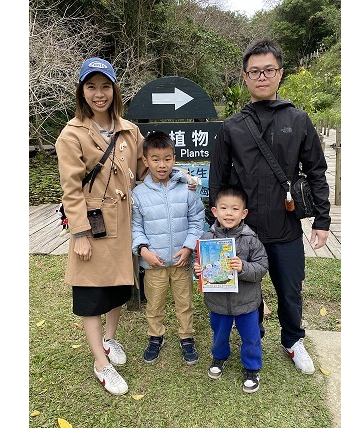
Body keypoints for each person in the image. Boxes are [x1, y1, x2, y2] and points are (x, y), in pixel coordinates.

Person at [208, 39, 331, 375]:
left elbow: (316, 172)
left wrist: (322, 220)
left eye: (268, 70)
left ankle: (292, 340)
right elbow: (218, 179)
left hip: (285, 225)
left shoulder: (298, 119)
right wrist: (215, 225)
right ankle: (255, 333)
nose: (261, 77)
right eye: (254, 72)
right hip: (243, 229)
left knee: (290, 289)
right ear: (245, 77)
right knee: (247, 285)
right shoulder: (232, 126)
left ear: (280, 73)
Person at [55, 57, 148, 396]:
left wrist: (176, 175)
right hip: (93, 227)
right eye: (91, 86)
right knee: (92, 293)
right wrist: (79, 234)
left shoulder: (129, 130)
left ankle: (110, 339)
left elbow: (145, 168)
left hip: (124, 224)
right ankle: (100, 363)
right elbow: (71, 188)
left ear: (114, 90)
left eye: (105, 86)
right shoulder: (72, 134)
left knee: (118, 287)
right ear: (82, 91)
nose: (99, 94)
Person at [131, 131, 205, 365]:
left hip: (182, 262)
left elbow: (197, 220)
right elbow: (135, 226)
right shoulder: (138, 194)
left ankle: (187, 337)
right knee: (154, 304)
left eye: (167, 159)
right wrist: (143, 250)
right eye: (155, 159)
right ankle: (155, 337)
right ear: (145, 161)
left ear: (174, 159)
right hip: (154, 264)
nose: (161, 165)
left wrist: (188, 247)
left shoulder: (187, 190)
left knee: (185, 303)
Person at [194, 185, 268, 393]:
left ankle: (252, 368)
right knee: (219, 333)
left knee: (251, 336)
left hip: (246, 302)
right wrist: (198, 269)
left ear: (243, 213)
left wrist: (243, 267)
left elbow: (262, 267)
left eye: (235, 209)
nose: (229, 213)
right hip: (217, 302)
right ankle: (219, 357)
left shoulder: (251, 240)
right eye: (224, 208)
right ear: (214, 211)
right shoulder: (207, 239)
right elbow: (197, 262)